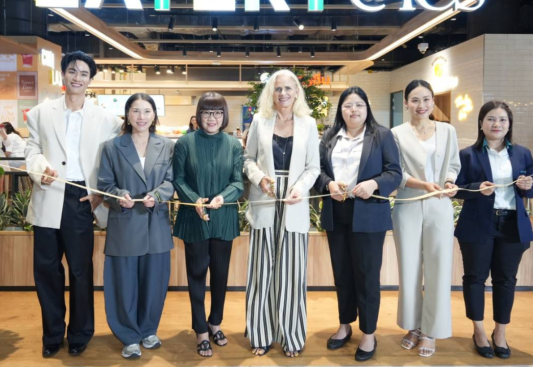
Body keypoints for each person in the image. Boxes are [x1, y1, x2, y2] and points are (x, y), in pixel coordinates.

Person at [24, 51, 122, 358]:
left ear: (90, 80)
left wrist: (100, 193)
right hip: (49, 192)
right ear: (63, 74)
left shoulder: (107, 120)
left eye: (83, 73)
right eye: (72, 71)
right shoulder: (40, 113)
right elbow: (32, 150)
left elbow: (111, 160)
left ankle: (80, 333)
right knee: (47, 270)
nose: (77, 77)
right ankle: (52, 334)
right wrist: (41, 169)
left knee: (80, 270)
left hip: (82, 199)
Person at [314, 87, 403, 362]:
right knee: (342, 274)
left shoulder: (382, 135)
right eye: (348, 105)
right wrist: (329, 184)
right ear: (340, 110)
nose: (353, 110)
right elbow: (317, 171)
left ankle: (368, 333)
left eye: (359, 105)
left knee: (366, 276)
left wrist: (374, 183)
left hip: (368, 213)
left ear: (367, 108)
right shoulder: (329, 136)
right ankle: (345, 325)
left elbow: (395, 172)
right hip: (337, 212)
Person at [454, 100, 533, 359]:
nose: (497, 124)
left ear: (509, 124)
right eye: (491, 119)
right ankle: (479, 331)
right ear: (481, 123)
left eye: (502, 119)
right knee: (475, 278)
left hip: (512, 224)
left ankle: (500, 333)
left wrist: (528, 186)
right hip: (477, 224)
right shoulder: (467, 155)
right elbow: (456, 189)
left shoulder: (522, 154)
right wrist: (477, 188)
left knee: (506, 280)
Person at [243, 69, 320, 358]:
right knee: (261, 272)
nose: (283, 93)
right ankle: (260, 334)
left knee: (292, 273)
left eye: (288, 88)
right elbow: (248, 159)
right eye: (278, 89)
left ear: (297, 91)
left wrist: (299, 188)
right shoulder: (259, 121)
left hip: (294, 202)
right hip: (265, 199)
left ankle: (292, 336)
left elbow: (313, 167)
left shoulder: (309, 124)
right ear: (271, 93)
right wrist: (259, 178)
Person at [97, 93, 175, 359]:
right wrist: (119, 195)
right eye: (135, 111)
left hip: (156, 225)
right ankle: (128, 336)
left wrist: (159, 195)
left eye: (147, 111)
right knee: (123, 284)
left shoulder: (167, 145)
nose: (141, 117)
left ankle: (148, 330)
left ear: (154, 115)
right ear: (127, 115)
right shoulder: (112, 147)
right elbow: (105, 185)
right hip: (125, 224)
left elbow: (171, 181)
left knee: (155, 282)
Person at [391, 79, 460, 358]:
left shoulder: (447, 130)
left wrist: (450, 181)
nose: (421, 105)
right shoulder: (396, 133)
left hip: (440, 204)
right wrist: (422, 184)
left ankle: (431, 330)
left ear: (433, 101)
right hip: (408, 203)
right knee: (409, 268)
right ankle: (413, 326)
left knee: (438, 268)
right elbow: (396, 171)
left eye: (426, 99)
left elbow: (453, 164)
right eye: (415, 100)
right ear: (406, 103)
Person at [172, 92, 244, 357]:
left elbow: (238, 182)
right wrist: (195, 199)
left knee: (221, 275)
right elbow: (178, 179)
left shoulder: (234, 144)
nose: (212, 118)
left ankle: (215, 322)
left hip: (224, 218)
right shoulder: (185, 143)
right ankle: (201, 329)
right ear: (198, 115)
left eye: (217, 112)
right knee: (196, 274)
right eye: (206, 112)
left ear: (224, 115)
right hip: (194, 218)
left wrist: (223, 197)